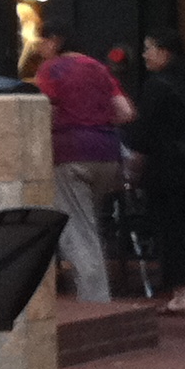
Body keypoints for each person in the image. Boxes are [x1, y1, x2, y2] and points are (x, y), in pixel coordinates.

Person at [30, 19, 134, 304]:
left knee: (78, 232)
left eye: (42, 41)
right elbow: (125, 111)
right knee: (88, 225)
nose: (39, 48)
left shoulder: (52, 68)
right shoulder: (98, 67)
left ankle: (95, 301)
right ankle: (93, 293)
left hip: (70, 154)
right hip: (107, 155)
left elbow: (46, 112)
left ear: (55, 40)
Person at [123, 32, 185, 314]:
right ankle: (183, 286)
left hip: (164, 165)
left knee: (167, 229)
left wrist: (134, 150)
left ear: (165, 51)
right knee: (180, 227)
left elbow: (142, 133)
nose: (145, 54)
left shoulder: (156, 86)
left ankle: (179, 291)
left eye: (149, 48)